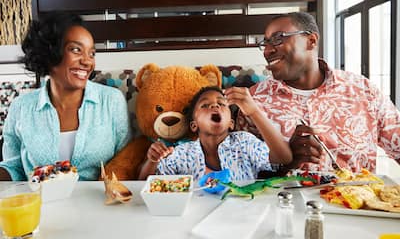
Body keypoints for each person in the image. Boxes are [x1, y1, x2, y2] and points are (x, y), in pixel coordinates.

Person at [234, 11, 400, 174]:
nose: (267, 50)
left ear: (311, 41)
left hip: (356, 199)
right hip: (283, 201)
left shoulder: (364, 92)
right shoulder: (253, 101)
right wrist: (285, 161)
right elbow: (243, 173)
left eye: (278, 38)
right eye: (265, 43)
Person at [0, 12, 131, 181]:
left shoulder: (112, 101)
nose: (87, 61)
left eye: (91, 53)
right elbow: (13, 168)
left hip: (98, 204)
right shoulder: (21, 107)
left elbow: (126, 161)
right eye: (76, 50)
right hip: (41, 204)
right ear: (50, 53)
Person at [138, 86, 292, 181]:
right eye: (205, 105)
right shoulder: (182, 153)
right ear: (194, 125)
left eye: (221, 103)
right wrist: (152, 161)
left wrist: (253, 111)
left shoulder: (244, 143)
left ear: (231, 123)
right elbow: (145, 184)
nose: (214, 105)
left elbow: (284, 158)